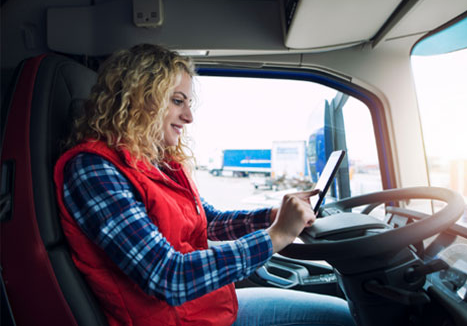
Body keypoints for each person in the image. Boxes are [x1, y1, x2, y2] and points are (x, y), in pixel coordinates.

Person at [54, 44, 355, 326]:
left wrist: (275, 216)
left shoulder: (157, 163)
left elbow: (207, 221)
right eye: (177, 101)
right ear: (137, 99)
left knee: (343, 314)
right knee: (343, 319)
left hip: (204, 311)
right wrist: (275, 236)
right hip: (175, 320)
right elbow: (167, 276)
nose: (188, 116)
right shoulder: (93, 170)